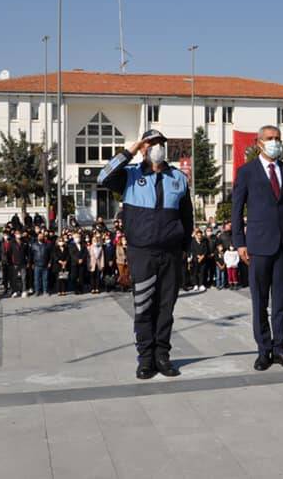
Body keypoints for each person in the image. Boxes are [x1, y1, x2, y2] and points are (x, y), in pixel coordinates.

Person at [98, 129, 193, 380]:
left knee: (166, 308)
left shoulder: (178, 178)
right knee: (144, 307)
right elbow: (103, 176)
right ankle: (146, 359)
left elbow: (187, 218)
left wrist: (185, 250)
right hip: (142, 253)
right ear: (143, 148)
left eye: (161, 143)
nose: (156, 148)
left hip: (171, 253)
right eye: (151, 144)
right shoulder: (130, 176)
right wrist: (129, 151)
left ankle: (163, 356)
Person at [232, 124, 283, 371]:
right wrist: (239, 242)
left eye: (278, 139)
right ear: (259, 142)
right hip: (258, 245)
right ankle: (264, 350)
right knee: (260, 301)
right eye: (271, 138)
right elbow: (237, 209)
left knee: (281, 301)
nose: (276, 142)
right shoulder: (247, 172)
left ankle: (280, 348)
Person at [31, 232, 52, 296]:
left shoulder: (47, 245)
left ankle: (45, 291)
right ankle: (37, 291)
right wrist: (32, 263)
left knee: (45, 279)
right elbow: (31, 255)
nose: (40, 237)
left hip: (45, 264)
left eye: (42, 236)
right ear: (37, 237)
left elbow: (50, 255)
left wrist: (50, 262)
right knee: (36, 279)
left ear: (44, 237)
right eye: (39, 236)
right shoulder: (34, 245)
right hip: (37, 265)